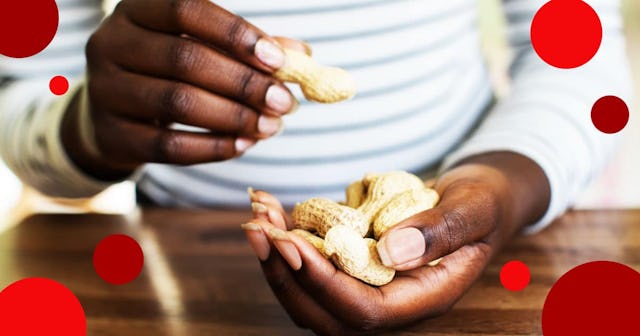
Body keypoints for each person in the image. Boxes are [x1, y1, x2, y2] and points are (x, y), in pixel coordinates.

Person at [0, 0, 632, 333]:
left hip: (469, 251)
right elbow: (26, 86)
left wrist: (502, 183)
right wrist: (86, 125)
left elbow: (578, 50)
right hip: (181, 276)